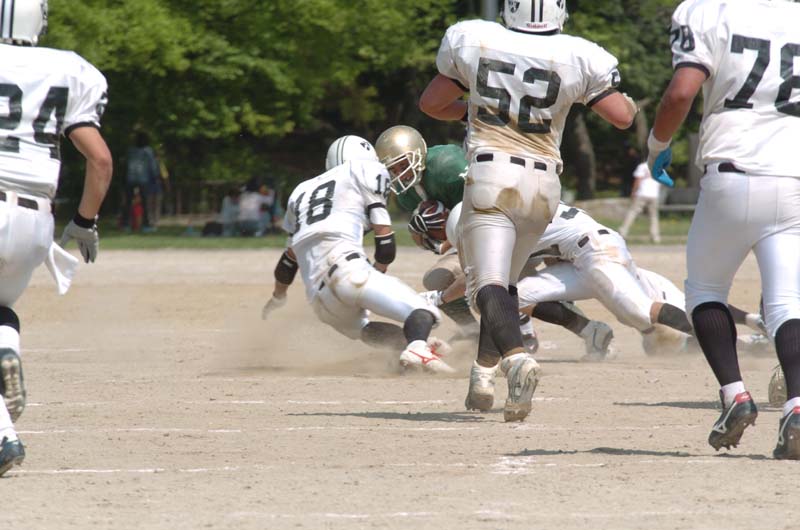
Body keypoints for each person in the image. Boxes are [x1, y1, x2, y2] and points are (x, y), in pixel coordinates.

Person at [419, 0, 638, 421]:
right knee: (506, 286)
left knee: (487, 287)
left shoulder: (475, 37)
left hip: (492, 175)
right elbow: (621, 117)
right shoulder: (579, 54)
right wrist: (631, 105)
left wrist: (476, 110)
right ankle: (483, 374)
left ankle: (517, 360)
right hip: (544, 184)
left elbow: (431, 103)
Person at [647, 0, 800, 459]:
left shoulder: (707, 11)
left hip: (732, 170)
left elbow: (680, 93)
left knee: (705, 290)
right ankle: (796, 406)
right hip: (793, 176)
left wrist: (657, 143)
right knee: (787, 303)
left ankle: (735, 394)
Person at [0, 0, 113, 476]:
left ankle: (4, 437)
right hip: (35, 220)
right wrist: (84, 221)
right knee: (2, 308)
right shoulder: (70, 68)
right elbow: (100, 160)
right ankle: (7, 347)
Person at [261, 136, 453, 373]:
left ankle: (412, 345)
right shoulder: (365, 170)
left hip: (320, 301)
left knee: (363, 328)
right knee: (423, 311)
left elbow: (288, 262)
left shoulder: (300, 191)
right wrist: (376, 272)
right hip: (347, 270)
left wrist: (278, 298)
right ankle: (417, 348)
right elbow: (385, 244)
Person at [618, 153, 662, 243]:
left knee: (633, 212)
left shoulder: (642, 167)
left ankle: (623, 231)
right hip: (654, 194)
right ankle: (655, 236)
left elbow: (638, 180)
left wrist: (634, 191)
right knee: (653, 216)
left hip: (642, 193)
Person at [123, 132, 159, 233]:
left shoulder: (131, 150)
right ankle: (146, 225)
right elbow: (152, 165)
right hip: (143, 179)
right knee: (145, 202)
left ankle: (126, 224)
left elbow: (126, 163)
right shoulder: (148, 151)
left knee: (128, 202)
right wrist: (155, 176)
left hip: (130, 178)